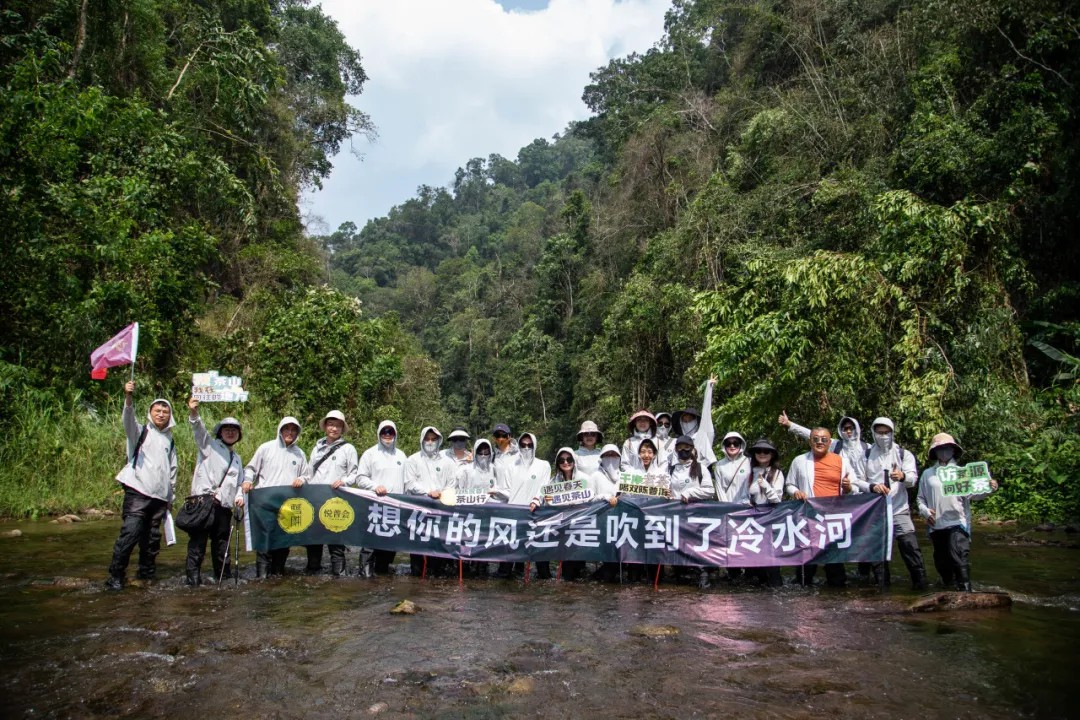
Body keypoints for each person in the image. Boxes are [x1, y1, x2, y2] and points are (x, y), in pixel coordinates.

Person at [105, 380, 177, 590]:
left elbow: (172, 472)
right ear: (150, 412)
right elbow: (128, 419)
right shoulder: (140, 431)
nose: (161, 414)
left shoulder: (170, 440)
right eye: (157, 410)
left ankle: (146, 576)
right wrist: (128, 398)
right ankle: (115, 577)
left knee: (152, 541)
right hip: (138, 492)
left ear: (170, 416)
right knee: (130, 534)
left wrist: (170, 499)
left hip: (160, 498)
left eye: (165, 411)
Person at [917, 433, 997, 591]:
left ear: (953, 450)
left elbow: (975, 495)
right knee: (941, 562)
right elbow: (920, 499)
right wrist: (925, 512)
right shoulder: (928, 474)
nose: (944, 451)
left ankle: (965, 590)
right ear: (935, 452)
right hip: (936, 524)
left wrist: (990, 488)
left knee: (959, 554)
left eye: (947, 448)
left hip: (958, 522)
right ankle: (949, 588)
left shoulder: (962, 474)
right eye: (940, 448)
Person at [785, 427, 857, 587]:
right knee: (807, 563)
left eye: (824, 439)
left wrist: (848, 488)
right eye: (816, 439)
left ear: (830, 442)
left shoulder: (841, 461)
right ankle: (804, 595)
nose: (819, 442)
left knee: (835, 565)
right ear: (810, 441)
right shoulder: (799, 461)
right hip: (808, 516)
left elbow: (855, 486)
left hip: (833, 518)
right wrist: (796, 492)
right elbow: (789, 484)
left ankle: (835, 597)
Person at [183, 397, 243, 586]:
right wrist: (194, 412)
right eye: (227, 429)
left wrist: (240, 497)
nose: (231, 432)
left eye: (234, 430)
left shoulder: (237, 458)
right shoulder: (209, 446)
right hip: (203, 503)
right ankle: (193, 581)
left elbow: (239, 483)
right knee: (197, 545)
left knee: (221, 545)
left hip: (224, 508)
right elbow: (198, 430)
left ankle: (223, 578)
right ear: (220, 432)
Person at [862, 417, 926, 589]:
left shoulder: (903, 454)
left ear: (892, 432)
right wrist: (872, 487)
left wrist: (902, 477)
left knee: (910, 547)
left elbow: (913, 479)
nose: (883, 436)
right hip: (875, 512)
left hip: (899, 509)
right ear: (873, 433)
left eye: (886, 432)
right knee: (878, 554)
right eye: (879, 432)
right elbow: (858, 481)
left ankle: (921, 585)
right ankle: (883, 589)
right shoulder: (866, 454)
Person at [241, 416, 307, 577]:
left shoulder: (300, 454)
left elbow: (307, 474)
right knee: (264, 543)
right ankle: (262, 577)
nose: (289, 432)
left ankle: (277, 575)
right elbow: (251, 468)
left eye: (293, 430)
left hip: (288, 506)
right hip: (265, 503)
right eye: (286, 429)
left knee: (283, 543)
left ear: (297, 433)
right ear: (280, 430)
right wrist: (248, 480)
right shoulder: (266, 448)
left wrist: (302, 479)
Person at [304, 410, 359, 577]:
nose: (334, 428)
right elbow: (309, 472)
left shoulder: (348, 449)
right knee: (313, 542)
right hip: (315, 500)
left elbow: (354, 473)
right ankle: (312, 574)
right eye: (331, 424)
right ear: (325, 426)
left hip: (337, 501)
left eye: (338, 425)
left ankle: (339, 577)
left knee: (336, 544)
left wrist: (344, 481)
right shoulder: (317, 447)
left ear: (342, 429)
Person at [493, 432, 550, 578]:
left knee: (541, 560)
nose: (526, 448)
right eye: (523, 445)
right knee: (507, 561)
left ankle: (543, 581)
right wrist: (495, 492)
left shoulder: (543, 465)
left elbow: (544, 487)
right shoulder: (512, 466)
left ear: (535, 446)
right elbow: (506, 491)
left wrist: (537, 499)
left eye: (529, 445)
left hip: (536, 516)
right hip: (514, 517)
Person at [355, 420, 408, 575]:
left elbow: (407, 481)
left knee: (389, 544)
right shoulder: (370, 454)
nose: (387, 435)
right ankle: (365, 576)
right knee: (370, 543)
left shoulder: (401, 455)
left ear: (395, 434)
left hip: (395, 508)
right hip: (374, 506)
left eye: (390, 432)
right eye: (384, 432)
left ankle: (382, 576)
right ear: (379, 434)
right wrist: (374, 486)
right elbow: (360, 478)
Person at [533, 448, 592, 580]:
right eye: (561, 460)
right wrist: (539, 500)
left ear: (574, 461)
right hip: (558, 524)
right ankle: (544, 578)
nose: (566, 463)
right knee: (542, 548)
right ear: (557, 463)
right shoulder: (554, 481)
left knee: (570, 570)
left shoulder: (585, 479)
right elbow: (543, 495)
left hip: (577, 525)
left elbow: (592, 498)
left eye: (569, 459)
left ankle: (570, 583)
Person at [404, 426, 453, 576]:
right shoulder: (412, 460)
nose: (430, 442)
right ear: (422, 439)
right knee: (417, 548)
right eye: (427, 438)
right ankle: (416, 579)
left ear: (439, 441)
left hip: (440, 512)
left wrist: (441, 494)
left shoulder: (447, 462)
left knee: (437, 546)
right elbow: (409, 483)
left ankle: (434, 581)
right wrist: (427, 493)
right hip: (418, 511)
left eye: (433, 439)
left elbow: (452, 484)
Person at [667, 435, 713, 588]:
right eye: (680, 447)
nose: (683, 450)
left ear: (692, 449)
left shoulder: (701, 468)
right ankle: (681, 575)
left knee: (696, 545)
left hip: (695, 516)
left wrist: (690, 493)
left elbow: (709, 491)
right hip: (675, 515)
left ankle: (703, 575)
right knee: (677, 545)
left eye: (686, 447)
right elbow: (668, 488)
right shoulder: (671, 468)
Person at [779, 411, 869, 489]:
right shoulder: (836, 445)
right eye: (845, 429)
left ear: (856, 429)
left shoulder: (867, 447)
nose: (848, 431)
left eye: (851, 428)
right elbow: (811, 434)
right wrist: (789, 424)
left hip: (866, 492)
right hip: (843, 490)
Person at [456, 438, 498, 577]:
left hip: (487, 516)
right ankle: (466, 573)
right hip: (469, 515)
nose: (484, 456)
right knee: (467, 545)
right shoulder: (466, 470)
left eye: (487, 453)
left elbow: (499, 491)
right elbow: (458, 491)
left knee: (483, 547)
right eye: (481, 453)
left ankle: (482, 572)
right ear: (475, 453)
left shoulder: (494, 469)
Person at [747, 438, 784, 587]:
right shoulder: (751, 473)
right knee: (753, 558)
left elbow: (777, 499)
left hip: (770, 520)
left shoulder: (777, 473)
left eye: (766, 451)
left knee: (771, 560)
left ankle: (776, 591)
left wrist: (766, 485)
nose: (762, 454)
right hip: (753, 520)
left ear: (772, 454)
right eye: (758, 451)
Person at [674, 376, 718, 468]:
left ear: (696, 421)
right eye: (684, 420)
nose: (687, 423)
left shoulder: (703, 435)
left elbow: (706, 411)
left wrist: (709, 388)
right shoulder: (676, 441)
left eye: (690, 420)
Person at [711, 432, 751, 504]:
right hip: (728, 507)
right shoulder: (719, 465)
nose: (732, 446)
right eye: (728, 444)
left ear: (741, 445)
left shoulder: (749, 462)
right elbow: (720, 489)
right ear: (724, 446)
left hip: (747, 507)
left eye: (735, 443)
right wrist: (726, 507)